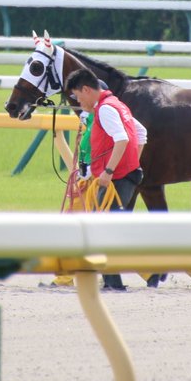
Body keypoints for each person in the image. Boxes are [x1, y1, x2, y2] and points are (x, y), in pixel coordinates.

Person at [65, 68, 146, 291]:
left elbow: (122, 139)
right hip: (126, 175)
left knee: (102, 228)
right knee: (104, 226)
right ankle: (113, 281)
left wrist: (109, 171)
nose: (78, 102)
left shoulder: (105, 110)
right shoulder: (117, 105)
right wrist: (131, 163)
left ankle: (115, 283)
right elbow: (141, 133)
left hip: (117, 178)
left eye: (78, 96)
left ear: (86, 90)